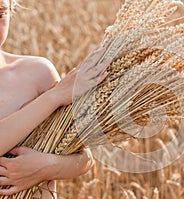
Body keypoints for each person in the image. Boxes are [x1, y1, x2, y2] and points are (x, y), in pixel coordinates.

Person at [0, 0, 111, 197]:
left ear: (11, 10)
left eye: (0, 13)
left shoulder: (38, 73)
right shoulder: (55, 94)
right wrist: (55, 96)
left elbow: (84, 157)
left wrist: (46, 166)